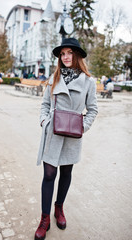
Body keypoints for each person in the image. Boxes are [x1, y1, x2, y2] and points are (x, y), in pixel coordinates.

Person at [34, 38, 98, 240]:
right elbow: (44, 104)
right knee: (49, 175)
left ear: (77, 55)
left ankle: (59, 208)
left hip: (72, 136)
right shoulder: (54, 78)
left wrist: (81, 127)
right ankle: (45, 218)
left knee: (66, 173)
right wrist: (45, 121)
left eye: (69, 53)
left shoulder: (88, 82)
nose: (66, 57)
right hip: (52, 133)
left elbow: (93, 110)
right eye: (62, 54)